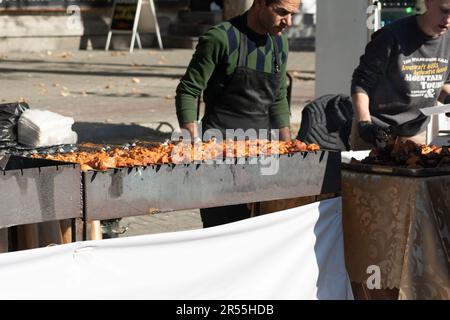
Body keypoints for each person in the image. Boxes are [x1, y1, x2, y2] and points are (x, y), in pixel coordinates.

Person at [175, 0, 300, 227]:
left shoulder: (279, 44)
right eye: (282, 12)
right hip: (219, 155)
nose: (288, 22)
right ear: (260, 3)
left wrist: (287, 149)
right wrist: (192, 144)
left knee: (262, 233)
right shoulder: (221, 38)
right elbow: (188, 90)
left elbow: (279, 98)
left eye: (292, 15)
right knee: (222, 234)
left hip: (264, 154)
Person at [351, 0, 450, 150]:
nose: (448, 19)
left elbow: (440, 83)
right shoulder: (391, 36)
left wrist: (449, 100)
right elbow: (361, 83)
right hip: (376, 131)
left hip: (414, 133)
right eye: (444, 10)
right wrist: (364, 123)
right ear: (428, 2)